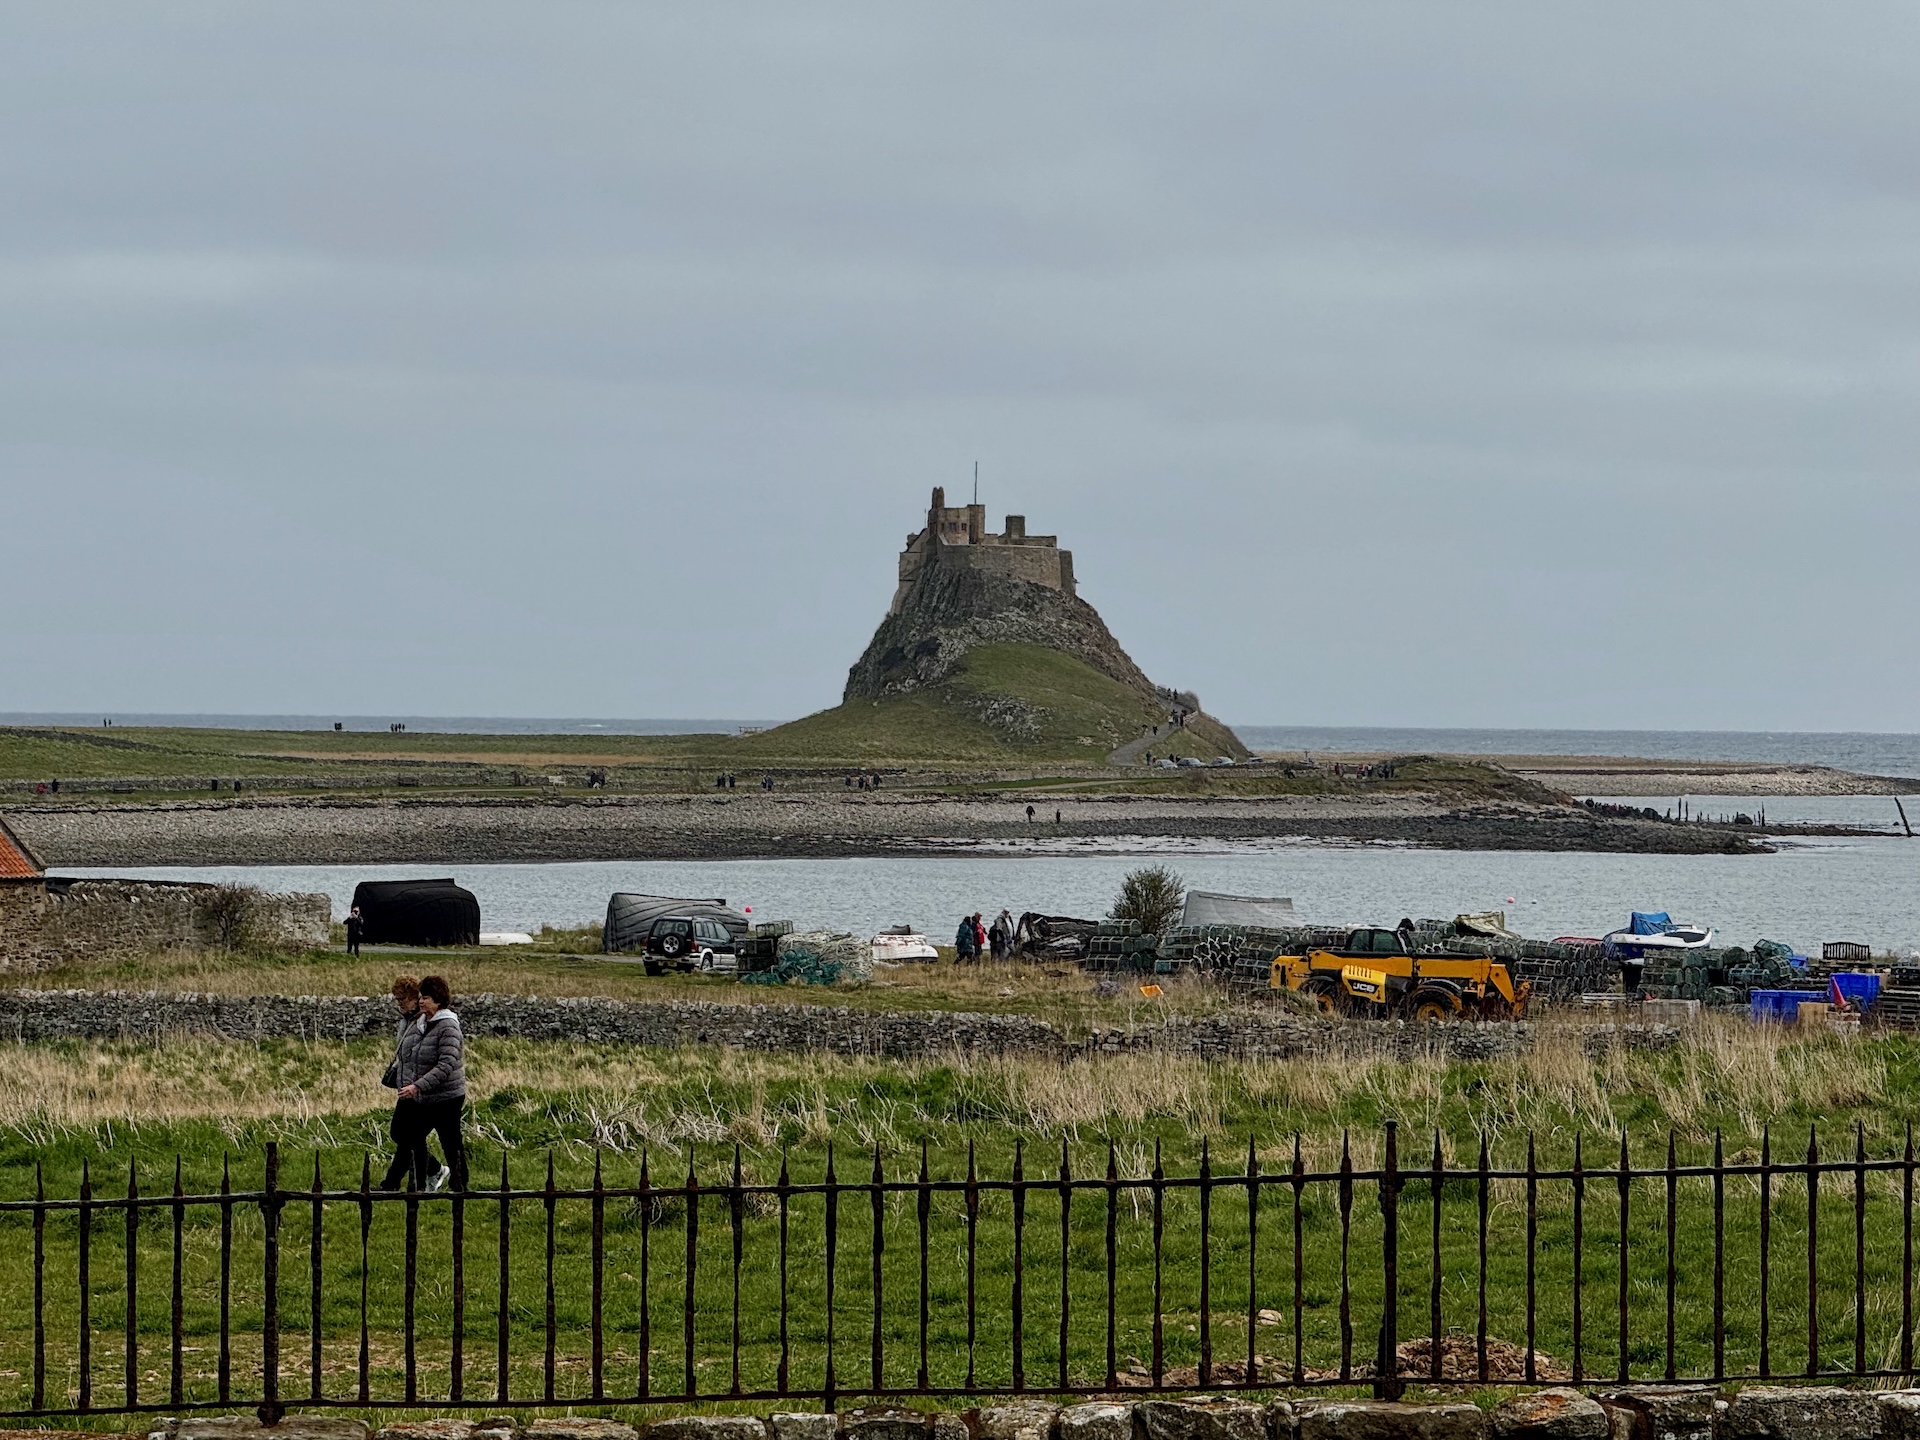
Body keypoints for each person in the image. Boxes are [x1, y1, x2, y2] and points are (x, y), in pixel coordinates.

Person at [397, 974, 467, 1192]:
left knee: (451, 1142)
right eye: (420, 997)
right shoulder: (421, 1023)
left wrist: (417, 1086)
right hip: (426, 1096)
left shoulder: (448, 1026)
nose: (420, 1001)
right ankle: (426, 1178)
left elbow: (446, 1065)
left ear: (438, 999)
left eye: (425, 997)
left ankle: (460, 1185)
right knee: (409, 1135)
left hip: (447, 1096)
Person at [377, 977, 422, 1190]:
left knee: (403, 1134)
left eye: (402, 999)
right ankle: (393, 1182)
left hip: (417, 1085)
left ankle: (430, 1171)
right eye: (397, 999)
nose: (399, 1003)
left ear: (414, 998)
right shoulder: (406, 1019)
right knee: (405, 1135)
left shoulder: (422, 1020)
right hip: (406, 1083)